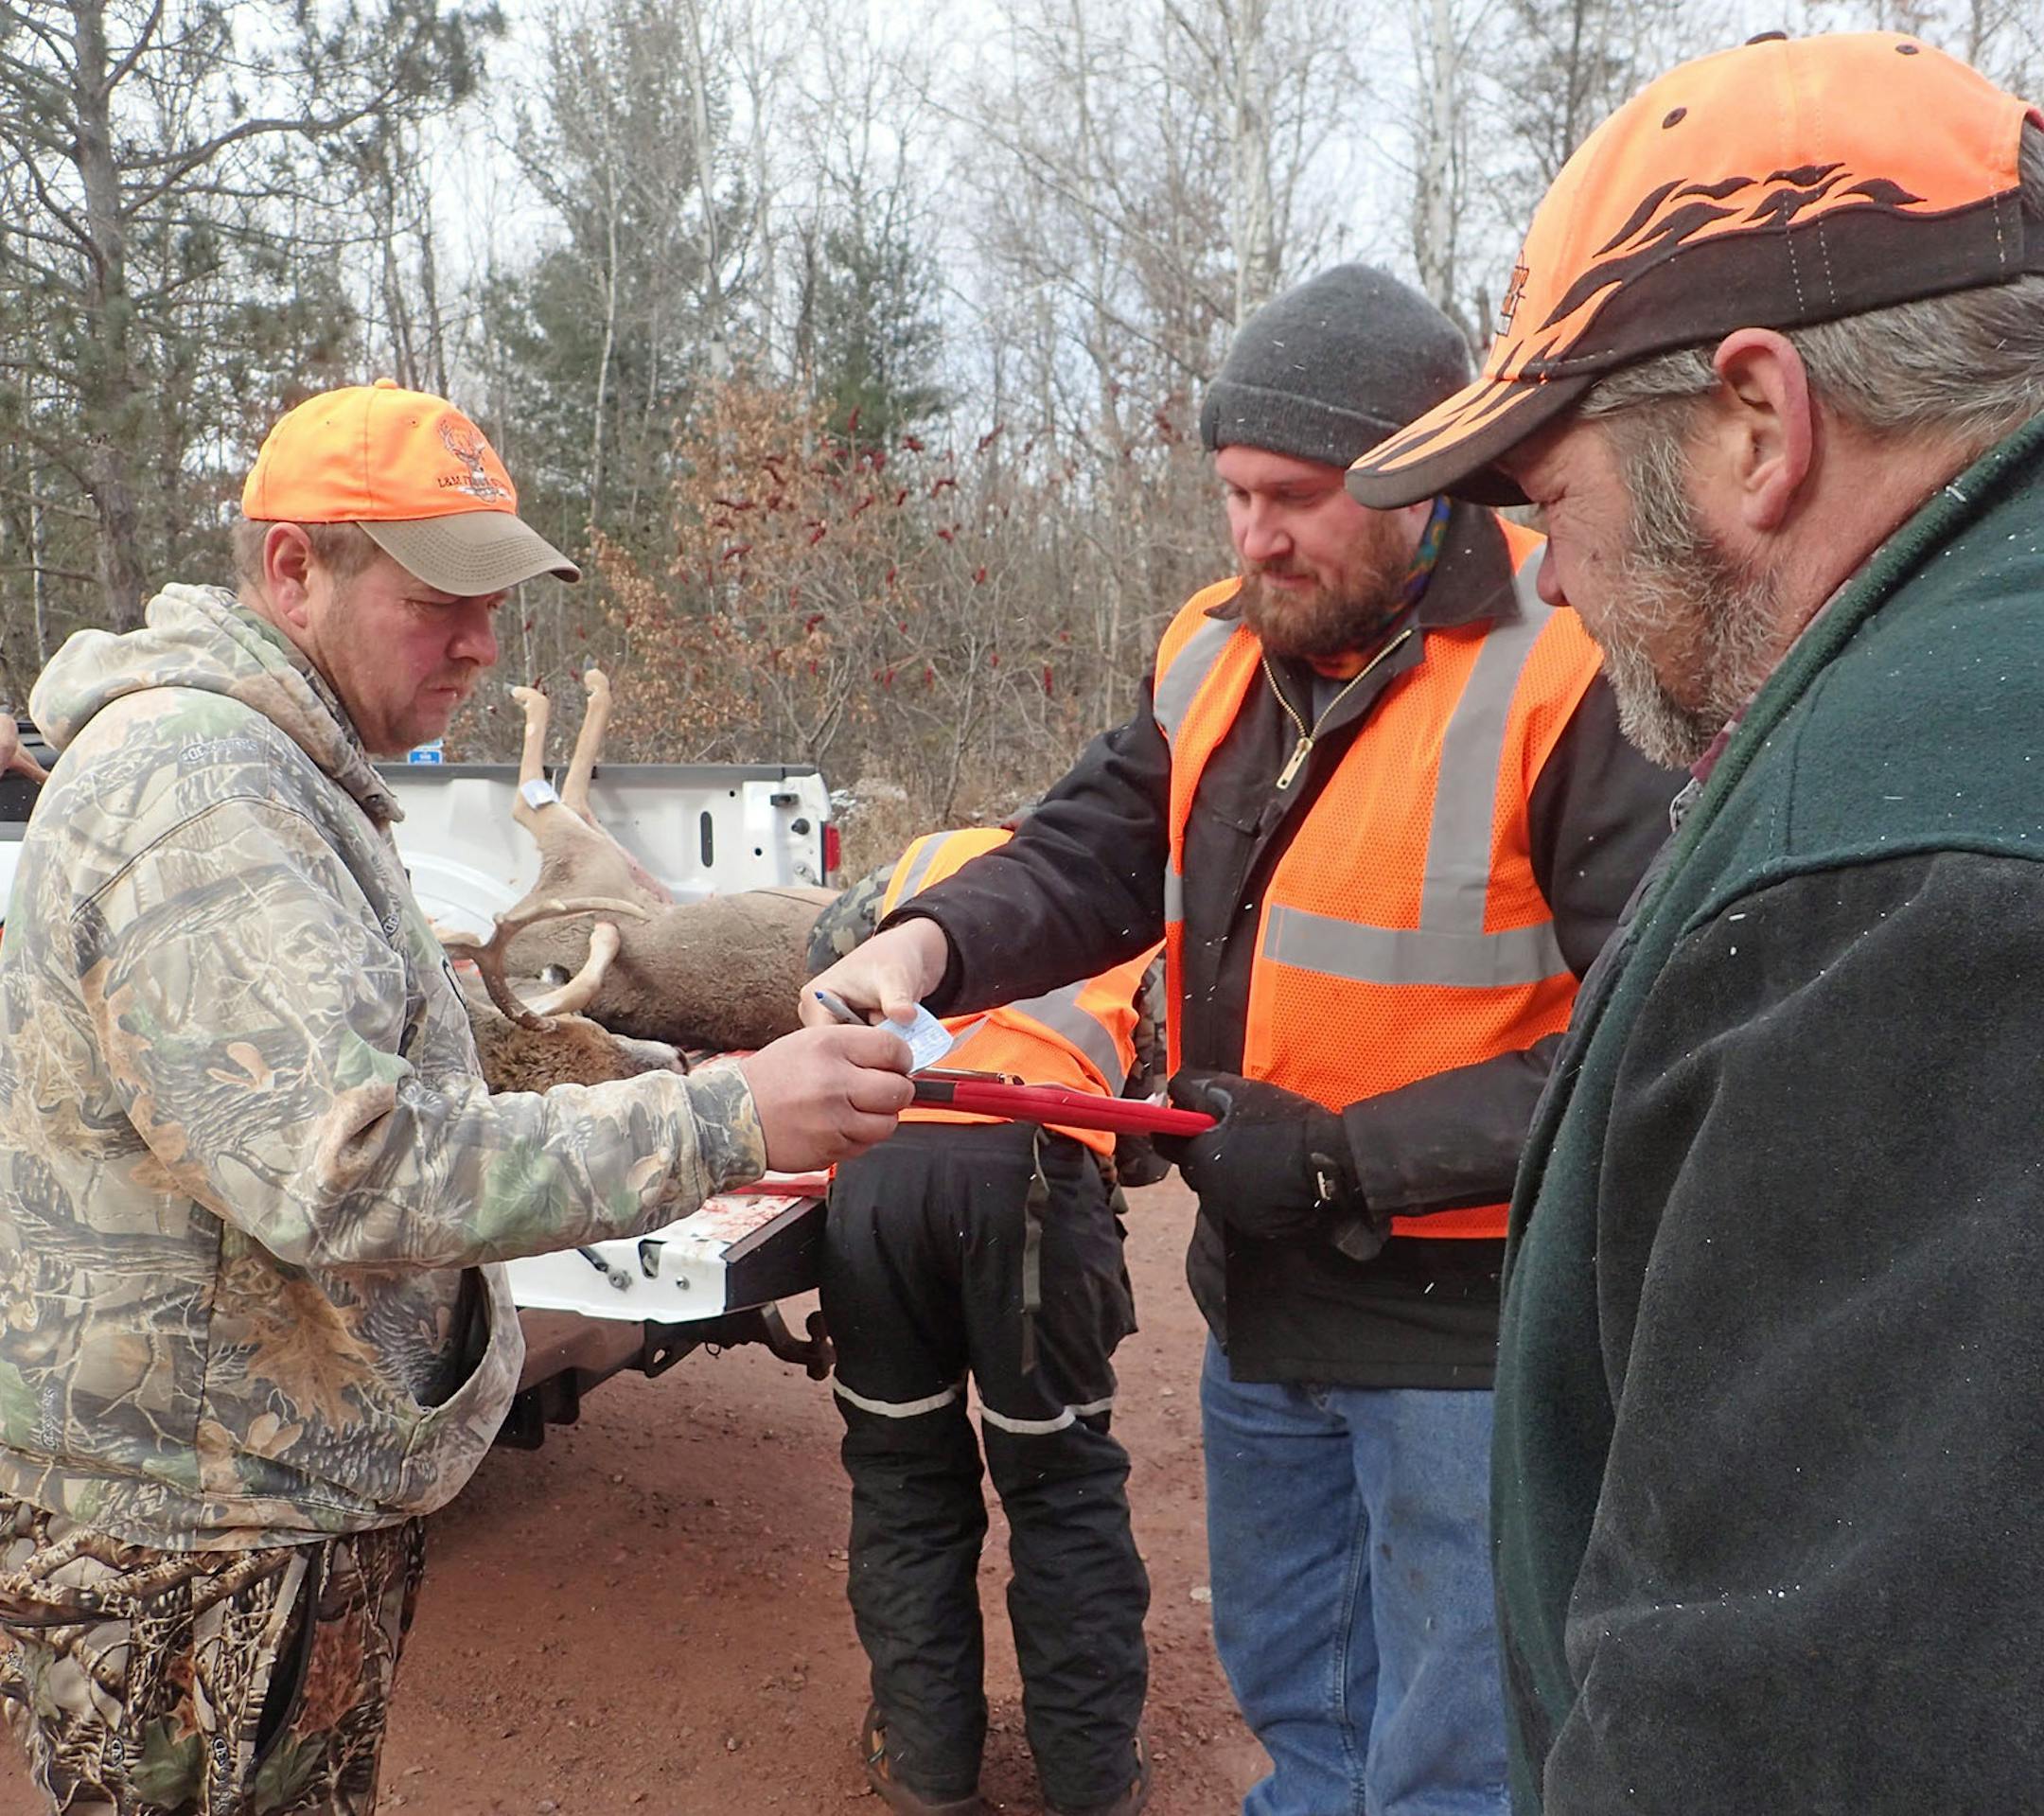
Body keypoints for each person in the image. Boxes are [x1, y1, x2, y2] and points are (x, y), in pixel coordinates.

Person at [805, 266, 1679, 1816]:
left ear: (1422, 480)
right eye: (1233, 492)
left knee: (1456, 1749)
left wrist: (1344, 1157)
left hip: (1465, 1339)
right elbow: (1088, 849)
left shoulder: (1572, 654)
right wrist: (921, 941)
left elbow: (1645, 1042)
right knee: (1304, 1703)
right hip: (1268, 1305)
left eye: (1298, 497)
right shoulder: (1216, 646)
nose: (1254, 534)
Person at [0, 379, 912, 1816]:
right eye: (441, 600)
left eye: (494, 605)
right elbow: (346, 1167)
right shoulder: (200, 796)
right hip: (204, 1532)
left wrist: (663, 1072)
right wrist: (722, 1121)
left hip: (257, 1491)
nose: (483, 644)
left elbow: (349, 1073)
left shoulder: (272, 773)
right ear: (295, 566)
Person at [1344, 29, 2044, 1815]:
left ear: (1757, 424)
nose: (1548, 575)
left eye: (1547, 494)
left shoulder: (1898, 884)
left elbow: (1800, 1722)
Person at [812, 825, 1156, 1816]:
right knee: (1059, 1480)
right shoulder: (1121, 887)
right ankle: (1092, 1775)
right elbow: (1146, 1111)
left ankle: (926, 1761)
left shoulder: (915, 865)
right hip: (1034, 1179)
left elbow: (824, 977)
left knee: (902, 1468)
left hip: (879, 1167)